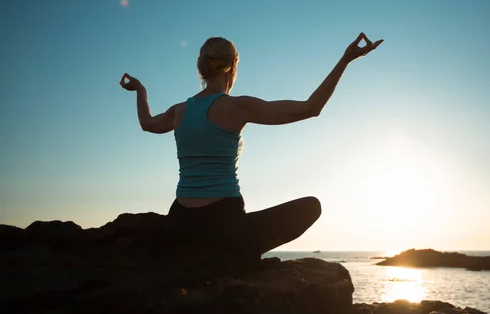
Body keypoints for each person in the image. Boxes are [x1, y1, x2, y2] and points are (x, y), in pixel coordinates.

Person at [120, 33, 383, 258]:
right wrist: (345, 60)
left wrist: (141, 91)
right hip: (225, 225)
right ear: (233, 65)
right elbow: (311, 108)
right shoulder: (237, 106)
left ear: (202, 67)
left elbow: (147, 123)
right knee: (311, 206)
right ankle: (237, 255)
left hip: (180, 221)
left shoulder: (179, 111)